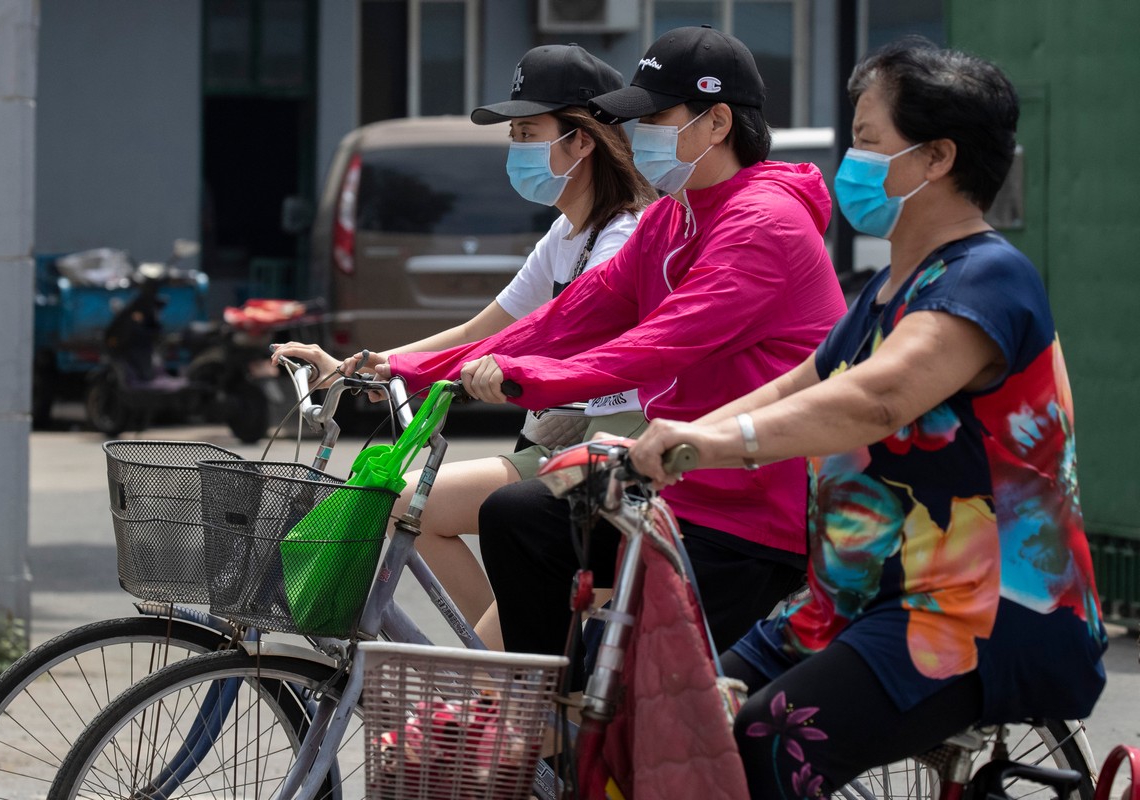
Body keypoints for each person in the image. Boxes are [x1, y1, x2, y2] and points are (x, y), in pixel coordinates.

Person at [627, 38, 1108, 797]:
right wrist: (662, 446)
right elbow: (799, 384)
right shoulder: (887, 288)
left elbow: (877, 396)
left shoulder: (988, 280)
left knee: (761, 747)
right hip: (853, 601)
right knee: (666, 722)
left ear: (936, 157)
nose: (850, 160)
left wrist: (713, 444)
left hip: (975, 614)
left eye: (865, 139)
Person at [378, 25, 848, 679]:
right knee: (519, 517)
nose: (641, 134)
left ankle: (550, 720)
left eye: (656, 116)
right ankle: (544, 719)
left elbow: (654, 346)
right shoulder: (672, 218)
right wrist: (401, 370)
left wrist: (525, 378)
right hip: (674, 490)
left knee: (634, 701)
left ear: (717, 122)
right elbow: (566, 318)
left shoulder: (763, 221)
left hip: (748, 513)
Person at [273, 44, 655, 636]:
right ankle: (516, 660)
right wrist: (369, 367)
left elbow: (555, 339)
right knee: (407, 506)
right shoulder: (565, 233)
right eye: (514, 134)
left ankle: (512, 668)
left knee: (487, 649)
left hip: (611, 446)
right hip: (557, 442)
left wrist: (452, 370)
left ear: (582, 141)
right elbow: (484, 328)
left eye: (529, 131)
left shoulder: (624, 235)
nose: (516, 147)